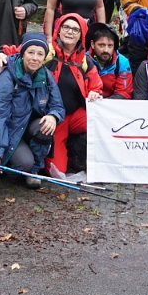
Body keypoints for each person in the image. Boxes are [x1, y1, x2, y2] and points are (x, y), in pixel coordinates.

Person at [0, 33, 66, 189]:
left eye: (40, 54)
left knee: (46, 127)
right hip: (10, 130)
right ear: (22, 53)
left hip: (29, 128)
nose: (35, 58)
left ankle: (35, 170)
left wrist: (53, 116)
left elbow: (58, 106)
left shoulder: (46, 77)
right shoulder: (7, 78)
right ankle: (15, 164)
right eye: (31, 52)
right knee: (23, 164)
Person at [40, 14, 103, 178]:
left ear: (81, 35)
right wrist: (1, 53)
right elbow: (21, 52)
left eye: (75, 29)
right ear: (59, 30)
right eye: (66, 27)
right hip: (55, 117)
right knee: (57, 171)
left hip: (76, 115)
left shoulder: (85, 61)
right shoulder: (46, 52)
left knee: (103, 122)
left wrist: (95, 93)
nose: (70, 32)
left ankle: (103, 164)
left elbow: (96, 86)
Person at [87, 23, 133, 99]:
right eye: (101, 45)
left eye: (110, 45)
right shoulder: (84, 60)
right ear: (92, 44)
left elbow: (124, 93)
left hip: (113, 106)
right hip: (89, 103)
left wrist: (102, 103)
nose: (106, 50)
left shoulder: (122, 62)